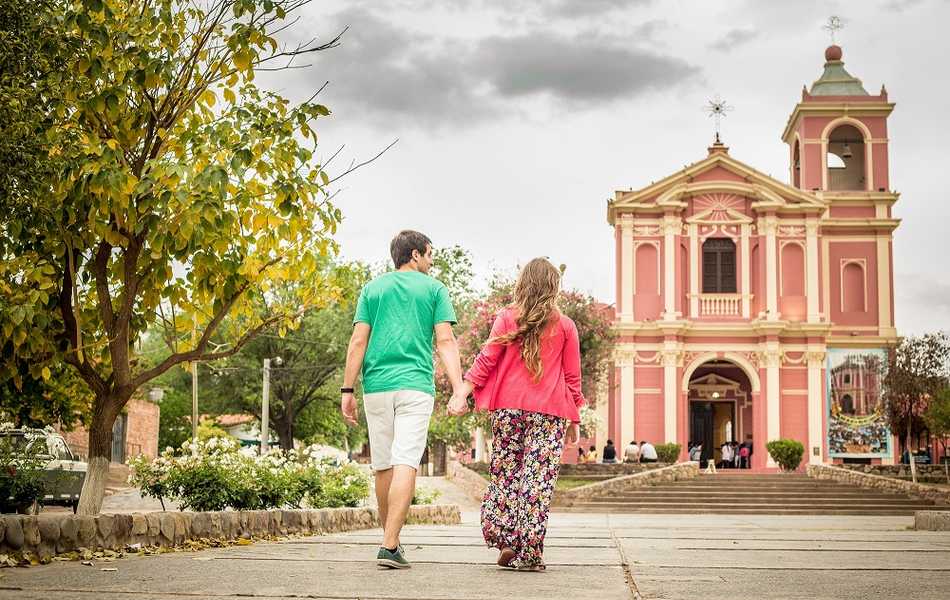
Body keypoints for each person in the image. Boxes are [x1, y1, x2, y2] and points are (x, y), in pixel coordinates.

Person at [448, 258, 585, 572]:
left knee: (506, 474)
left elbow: (486, 359)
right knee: (537, 481)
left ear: (523, 284)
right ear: (554, 287)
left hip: (508, 410)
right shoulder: (565, 325)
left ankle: (507, 539)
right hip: (549, 413)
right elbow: (572, 378)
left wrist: (463, 392)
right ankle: (531, 552)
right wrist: (574, 418)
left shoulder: (507, 317)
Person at [341, 230, 464, 570]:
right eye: (429, 254)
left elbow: (357, 342)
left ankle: (389, 541)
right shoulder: (435, 290)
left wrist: (347, 391)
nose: (432, 261)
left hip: (376, 387)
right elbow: (445, 341)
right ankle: (390, 543)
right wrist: (458, 387)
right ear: (414, 255)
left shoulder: (372, 289)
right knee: (406, 461)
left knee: (383, 464)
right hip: (414, 387)